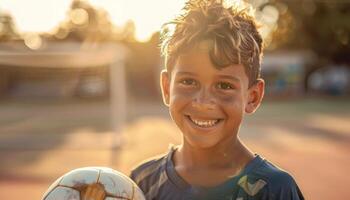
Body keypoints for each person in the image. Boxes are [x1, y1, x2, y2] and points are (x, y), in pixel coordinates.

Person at [130, 0, 304, 199]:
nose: (203, 102)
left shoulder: (274, 190)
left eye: (224, 86)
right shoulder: (141, 182)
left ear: (252, 97)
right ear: (166, 88)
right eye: (188, 81)